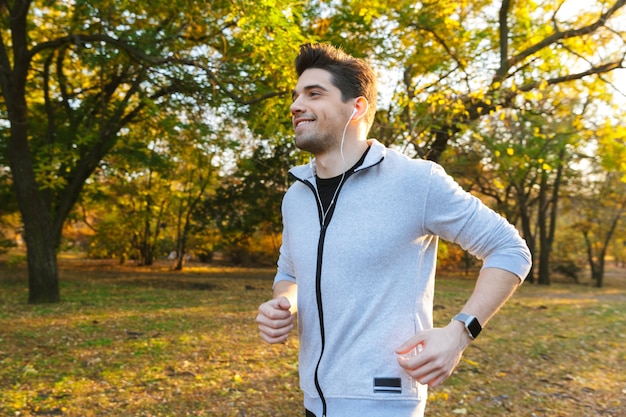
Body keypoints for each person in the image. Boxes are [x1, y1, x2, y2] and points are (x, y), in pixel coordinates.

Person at [256, 43, 532, 417]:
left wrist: (459, 333)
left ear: (356, 107)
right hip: (313, 399)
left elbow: (509, 249)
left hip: (384, 400)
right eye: (295, 95)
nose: (295, 106)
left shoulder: (416, 181)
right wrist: (283, 302)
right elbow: (290, 271)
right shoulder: (296, 195)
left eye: (313, 94)